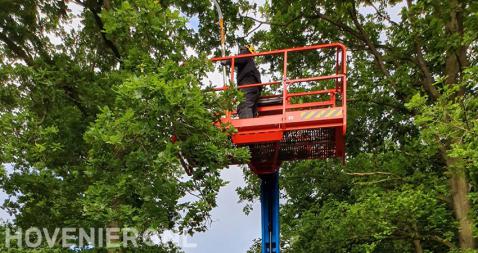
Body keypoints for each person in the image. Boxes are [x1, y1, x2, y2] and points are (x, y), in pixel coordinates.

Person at [222, 44, 262, 118]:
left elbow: (239, 59)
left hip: (248, 85)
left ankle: (248, 126)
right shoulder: (250, 63)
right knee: (251, 108)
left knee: (244, 105)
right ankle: (251, 124)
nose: (241, 52)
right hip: (253, 87)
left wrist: (227, 61)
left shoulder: (246, 54)